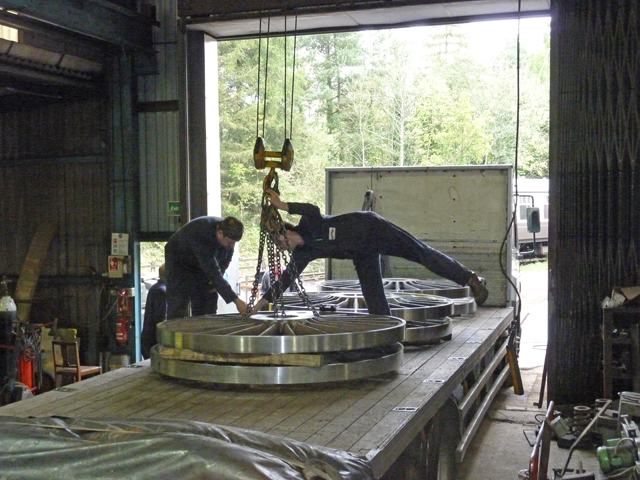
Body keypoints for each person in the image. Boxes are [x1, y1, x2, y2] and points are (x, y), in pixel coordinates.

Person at [252, 189, 488, 316]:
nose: (283, 248)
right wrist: (259, 304)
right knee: (372, 293)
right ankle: (385, 333)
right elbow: (285, 280)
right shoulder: (304, 254)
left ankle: (469, 278)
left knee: (420, 253)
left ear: (286, 231)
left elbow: (312, 208)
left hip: (372, 229)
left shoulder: (309, 222)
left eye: (281, 243)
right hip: (361, 253)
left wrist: (282, 205)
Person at [165, 216, 247, 319]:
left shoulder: (228, 237)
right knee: (178, 302)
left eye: (234, 243)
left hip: (199, 263)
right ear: (220, 233)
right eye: (230, 243)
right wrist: (236, 300)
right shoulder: (202, 236)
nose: (231, 246)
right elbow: (213, 272)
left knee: (209, 295)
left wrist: (216, 283)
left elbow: (225, 261)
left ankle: (205, 328)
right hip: (178, 260)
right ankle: (175, 331)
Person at [141, 264, 167, 359]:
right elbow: (161, 319)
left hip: (148, 341)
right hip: (154, 343)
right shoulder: (163, 291)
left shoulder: (155, 287)